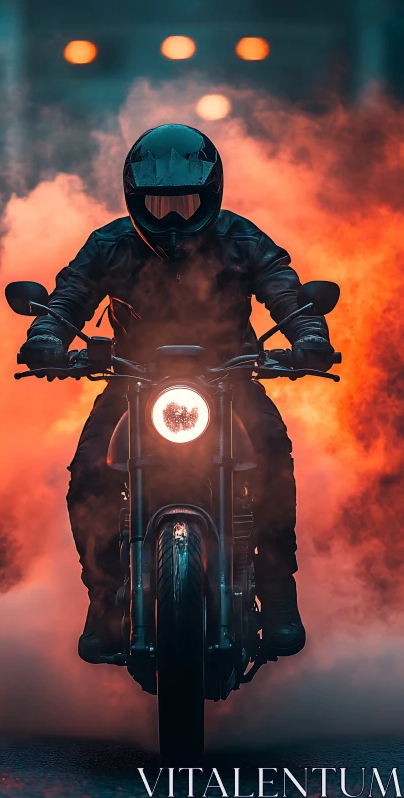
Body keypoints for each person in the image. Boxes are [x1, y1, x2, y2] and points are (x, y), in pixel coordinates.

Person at [18, 124, 334, 664]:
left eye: (185, 204)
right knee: (90, 473)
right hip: (133, 380)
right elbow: (70, 295)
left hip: (229, 377)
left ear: (211, 195)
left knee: (273, 457)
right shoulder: (109, 244)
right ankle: (105, 600)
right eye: (158, 205)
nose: (171, 219)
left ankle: (279, 592)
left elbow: (285, 289)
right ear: (134, 199)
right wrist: (46, 337)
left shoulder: (242, 239)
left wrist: (310, 337)